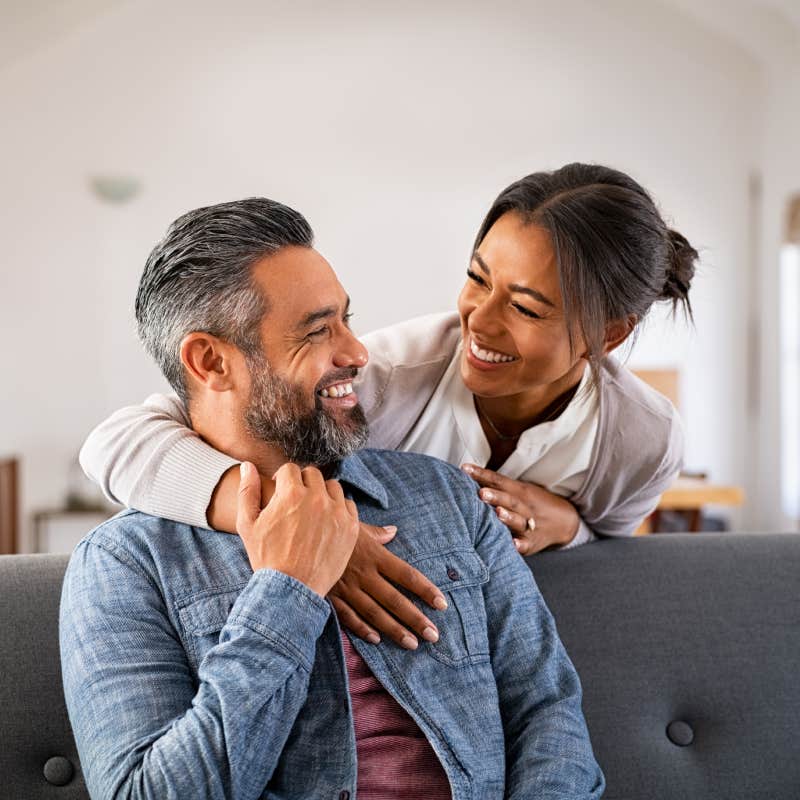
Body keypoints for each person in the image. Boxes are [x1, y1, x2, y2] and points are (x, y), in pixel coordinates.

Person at [59, 198, 604, 799]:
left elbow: (548, 711)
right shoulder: (125, 565)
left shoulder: (448, 497)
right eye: (319, 331)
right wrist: (285, 591)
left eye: (347, 319)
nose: (357, 352)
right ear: (211, 361)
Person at [80, 163, 697, 649]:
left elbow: (613, 552)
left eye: (526, 307)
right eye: (477, 278)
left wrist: (570, 527)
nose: (477, 321)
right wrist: (305, 527)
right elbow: (117, 443)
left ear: (608, 335)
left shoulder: (642, 440)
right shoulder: (386, 377)